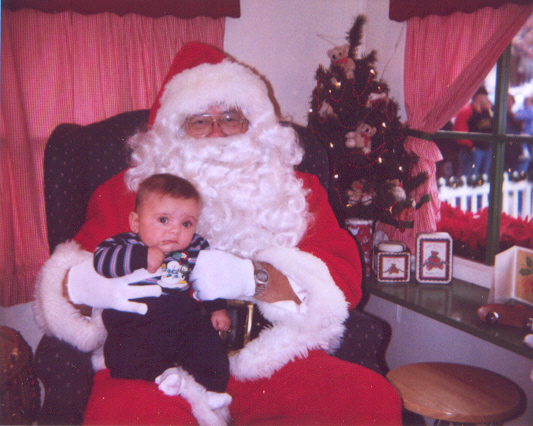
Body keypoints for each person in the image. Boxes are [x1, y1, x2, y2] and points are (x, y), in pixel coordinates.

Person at [33, 42, 402, 425]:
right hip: (155, 366)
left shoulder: (295, 189)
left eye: (230, 117)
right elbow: (64, 290)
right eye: (199, 121)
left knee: (368, 400)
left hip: (270, 356)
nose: (216, 133)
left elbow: (340, 282)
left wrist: (255, 278)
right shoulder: (128, 192)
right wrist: (85, 286)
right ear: (174, 131)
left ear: (253, 125)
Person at [88, 173, 232, 415]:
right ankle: (162, 373)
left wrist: (218, 308)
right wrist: (141, 256)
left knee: (210, 349)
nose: (175, 231)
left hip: (182, 320)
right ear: (136, 222)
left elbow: (208, 279)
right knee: (122, 356)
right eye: (163, 220)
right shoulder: (123, 244)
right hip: (134, 322)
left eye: (186, 224)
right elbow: (100, 261)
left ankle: (209, 390)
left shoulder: (195, 248)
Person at [453, 86, 494, 182]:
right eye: (485, 96)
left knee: (483, 178)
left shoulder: (486, 111)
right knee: (469, 178)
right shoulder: (466, 110)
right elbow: (460, 130)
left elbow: (491, 128)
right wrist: (471, 147)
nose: (487, 99)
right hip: (473, 151)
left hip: (486, 149)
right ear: (479, 96)